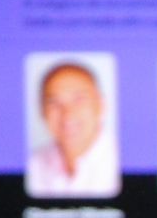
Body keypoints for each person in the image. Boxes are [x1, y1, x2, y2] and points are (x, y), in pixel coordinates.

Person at [26, 59, 118, 198]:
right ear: (42, 111)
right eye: (54, 103)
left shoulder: (125, 161)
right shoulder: (32, 166)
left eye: (79, 100)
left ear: (101, 105)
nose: (67, 114)